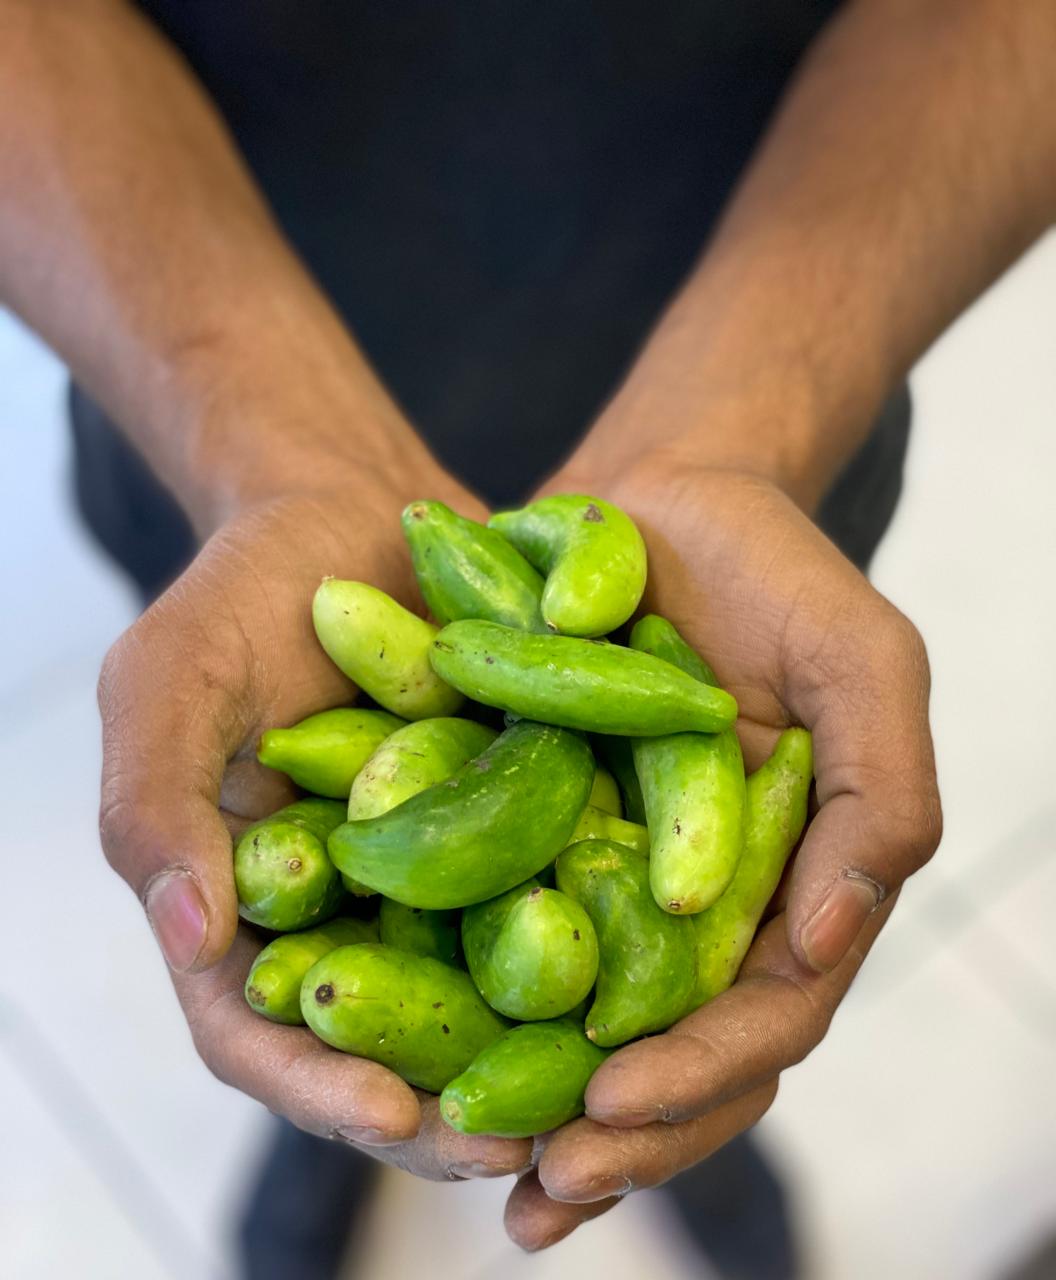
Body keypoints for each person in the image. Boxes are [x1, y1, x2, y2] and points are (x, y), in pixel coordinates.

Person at [2, 0, 1052, 1273]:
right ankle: (340, 1099)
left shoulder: (675, 679)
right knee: (250, 830)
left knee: (706, 981)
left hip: (762, 413)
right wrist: (265, 446)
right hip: (203, 379)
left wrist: (743, 426)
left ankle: (660, 1107)